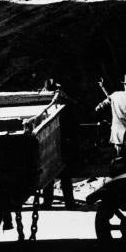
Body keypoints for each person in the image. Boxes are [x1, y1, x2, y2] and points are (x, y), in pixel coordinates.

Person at [39, 78, 77, 209]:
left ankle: (48, 202)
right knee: (64, 174)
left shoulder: (45, 103)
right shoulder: (66, 102)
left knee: (49, 171)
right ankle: (69, 202)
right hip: (63, 140)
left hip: (54, 140)